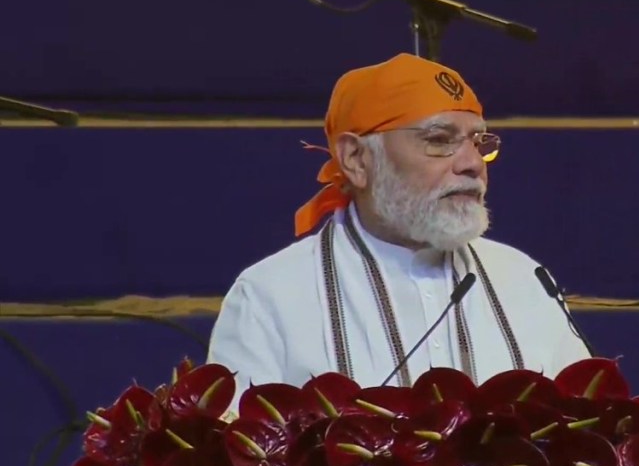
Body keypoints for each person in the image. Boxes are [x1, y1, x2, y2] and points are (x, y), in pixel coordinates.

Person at [206, 53, 591, 402]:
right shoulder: (270, 295)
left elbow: (584, 425)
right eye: (439, 140)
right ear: (356, 159)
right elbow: (241, 446)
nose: (473, 164)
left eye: (478, 142)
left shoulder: (524, 279)